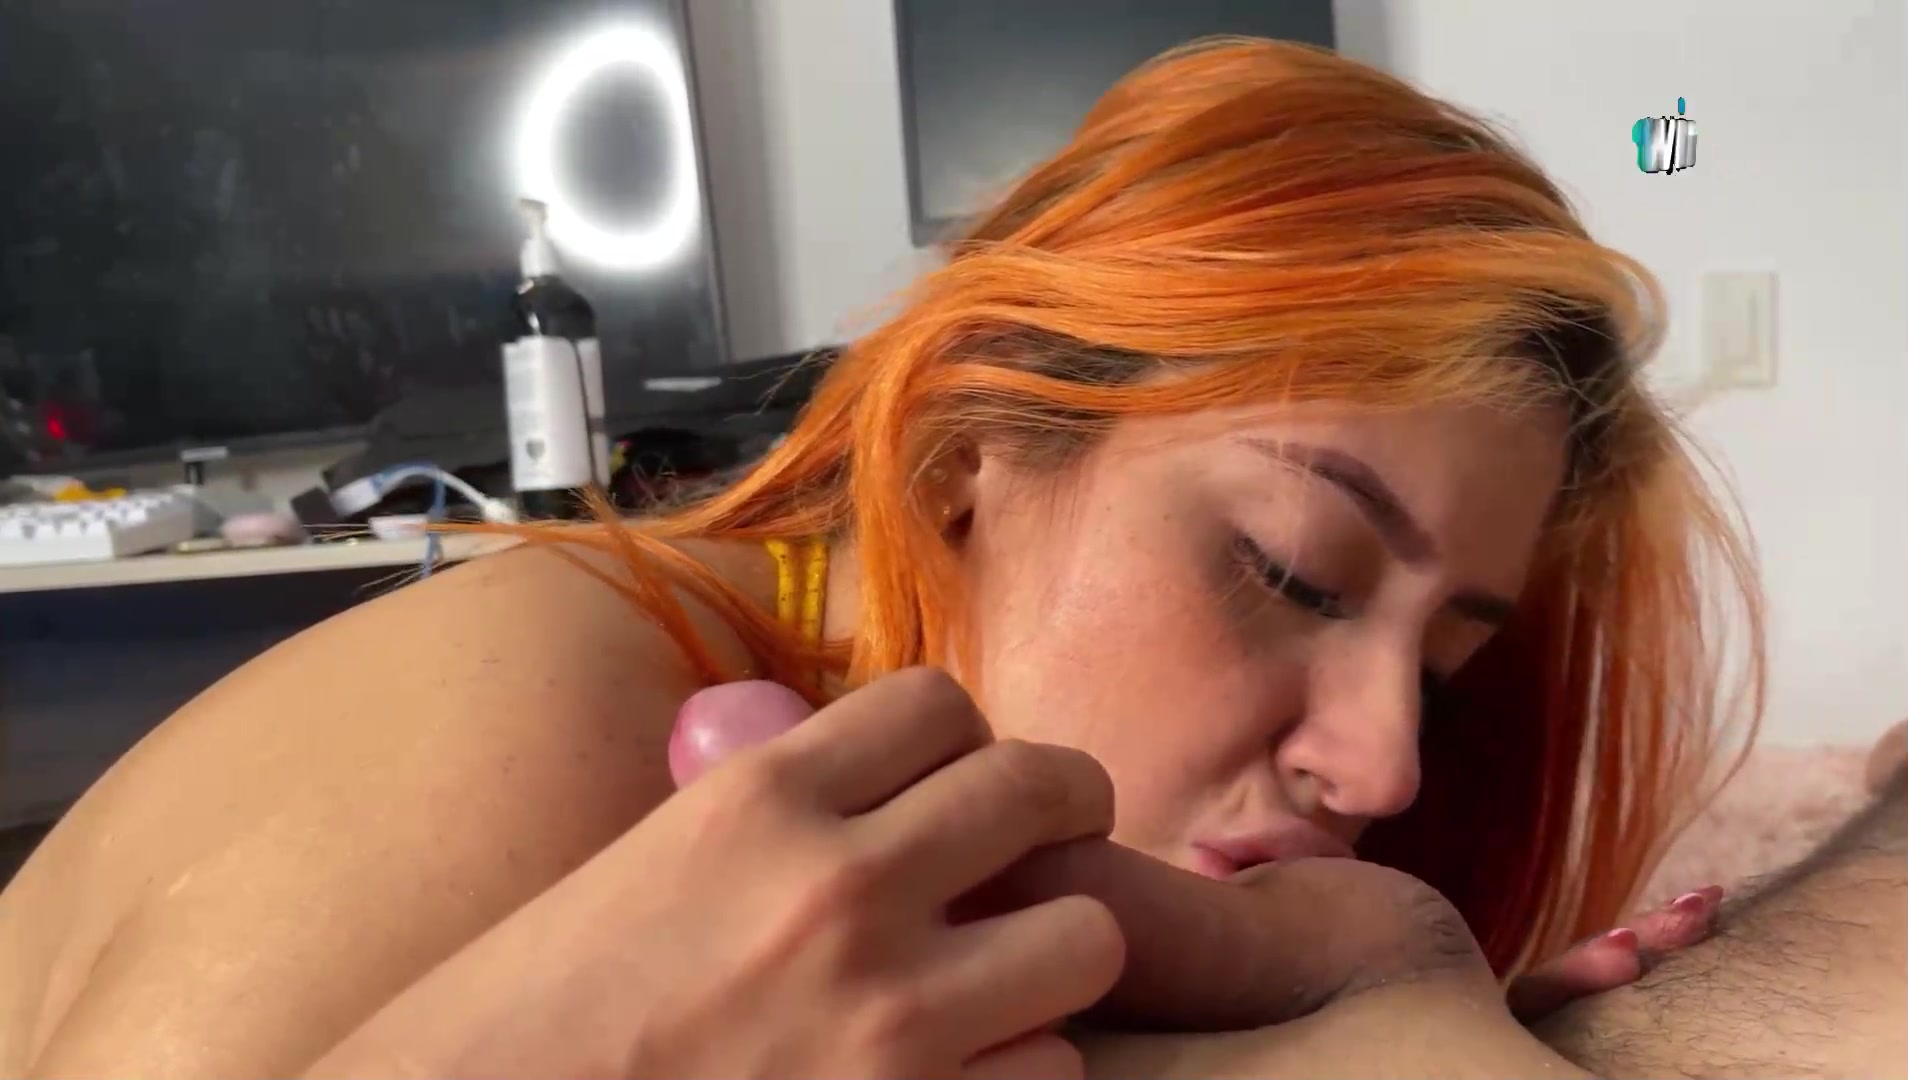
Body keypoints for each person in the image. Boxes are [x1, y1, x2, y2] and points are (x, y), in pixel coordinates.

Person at [0, 36, 1760, 1077]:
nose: (1384, 767)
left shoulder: (959, 871)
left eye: (1444, 672)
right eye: (1291, 571)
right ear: (971, 445)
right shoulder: (538, 715)